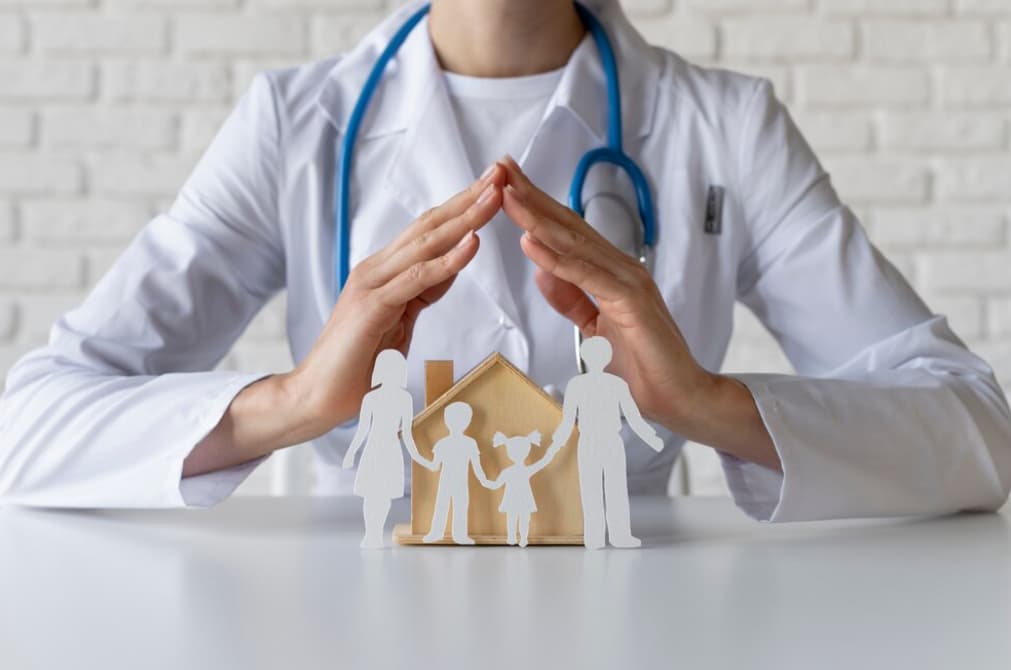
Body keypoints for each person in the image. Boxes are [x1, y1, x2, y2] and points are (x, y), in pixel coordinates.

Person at [1, 0, 1009, 522]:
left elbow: (976, 432)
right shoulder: (293, 126)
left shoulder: (724, 129)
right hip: (348, 633)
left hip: (635, 632)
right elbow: (28, 427)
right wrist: (296, 401)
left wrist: (702, 402)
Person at [546, 336, 663, 549]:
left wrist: (650, 437)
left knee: (606, 488)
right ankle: (600, 536)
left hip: (605, 441)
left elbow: (632, 415)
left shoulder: (608, 385)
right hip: (593, 440)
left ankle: (608, 535)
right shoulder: (598, 385)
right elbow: (568, 419)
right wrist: (555, 444)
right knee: (601, 488)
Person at [341, 349, 434, 548]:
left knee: (383, 496)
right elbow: (362, 430)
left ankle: (376, 532)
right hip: (374, 449)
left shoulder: (404, 399)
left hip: (392, 453)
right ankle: (371, 533)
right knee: (371, 494)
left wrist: (420, 458)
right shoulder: (371, 399)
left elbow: (408, 434)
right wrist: (351, 453)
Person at [423, 401, 491, 544]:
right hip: (446, 482)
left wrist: (485, 481)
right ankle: (436, 532)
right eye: (453, 419)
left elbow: (477, 467)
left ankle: (460, 535)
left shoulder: (470, 443)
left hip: (461, 483)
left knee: (460, 507)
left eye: (462, 419)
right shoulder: (442, 444)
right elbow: (435, 466)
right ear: (447, 420)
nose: (458, 423)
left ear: (467, 421)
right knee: (442, 506)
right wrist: (419, 457)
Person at [486, 429, 555, 547]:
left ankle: (519, 538)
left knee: (516, 518)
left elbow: (495, 485)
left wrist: (484, 481)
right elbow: (544, 461)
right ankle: (516, 537)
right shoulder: (521, 470)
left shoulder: (511, 471)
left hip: (519, 498)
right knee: (518, 518)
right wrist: (553, 449)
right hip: (520, 498)